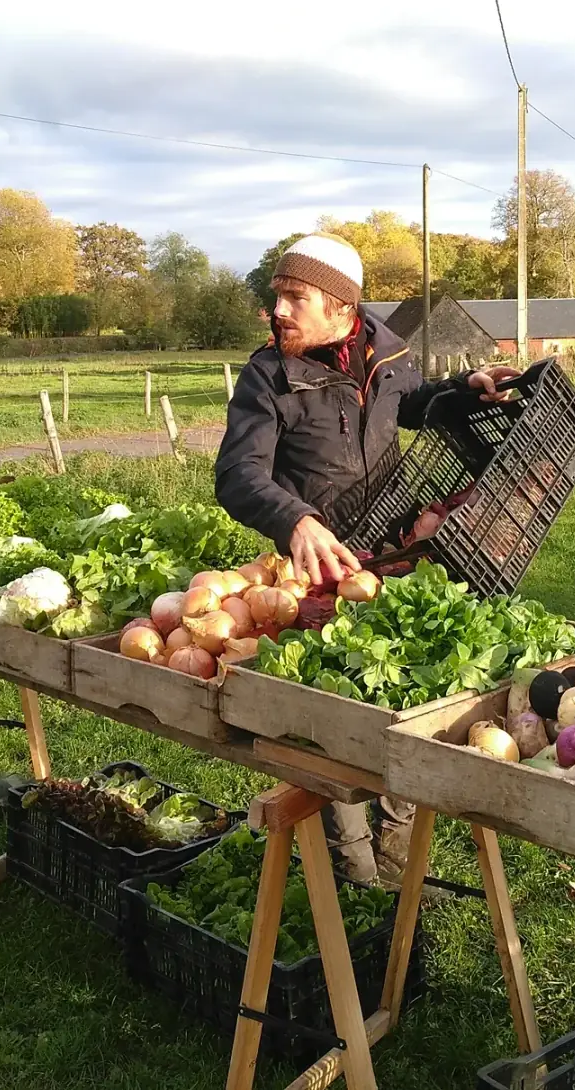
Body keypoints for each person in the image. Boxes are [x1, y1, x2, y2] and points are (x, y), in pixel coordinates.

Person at [214, 232, 518, 882]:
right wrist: (293, 518)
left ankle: (397, 862)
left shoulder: (389, 350)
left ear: (341, 308)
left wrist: (464, 387)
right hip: (320, 581)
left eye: (296, 298)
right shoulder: (268, 375)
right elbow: (236, 474)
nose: (280, 310)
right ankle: (356, 878)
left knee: (405, 708)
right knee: (336, 732)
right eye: (278, 296)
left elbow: (404, 404)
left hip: (399, 557)